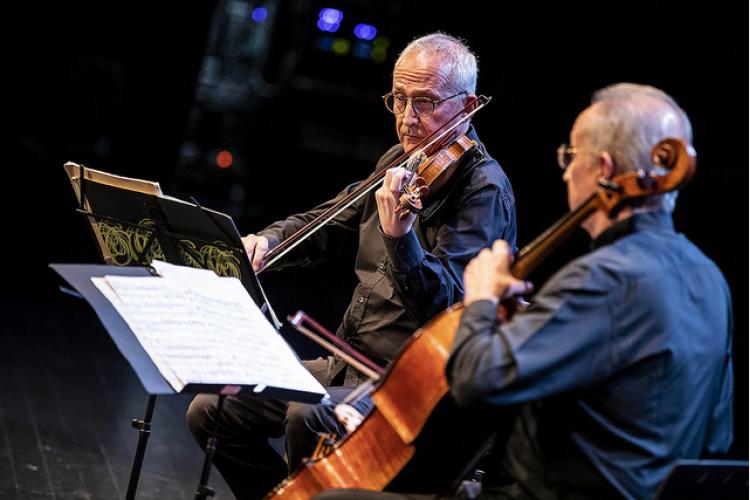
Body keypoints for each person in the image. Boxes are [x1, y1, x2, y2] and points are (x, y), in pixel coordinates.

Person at [316, 84, 734, 499]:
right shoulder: (711, 280)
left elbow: (475, 382)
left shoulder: (603, 280)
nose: (566, 171)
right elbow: (718, 435)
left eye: (571, 156)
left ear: (604, 169)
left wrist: (480, 299)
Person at [186, 32, 517, 500]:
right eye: (399, 99)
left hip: (405, 388)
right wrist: (269, 240)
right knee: (211, 410)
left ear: (466, 106)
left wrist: (401, 240)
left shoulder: (483, 191)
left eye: (424, 102)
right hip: (344, 365)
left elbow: (447, 310)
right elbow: (329, 221)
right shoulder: (401, 161)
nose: (407, 118)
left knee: (307, 417)